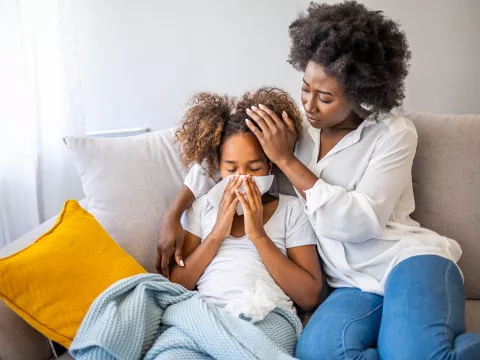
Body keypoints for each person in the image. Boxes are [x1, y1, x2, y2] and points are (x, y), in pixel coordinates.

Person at [158, 1, 480, 359]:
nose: (309, 105)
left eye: (325, 97)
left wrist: (284, 158)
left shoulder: (394, 133)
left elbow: (360, 221)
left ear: (361, 94)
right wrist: (173, 214)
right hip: (349, 284)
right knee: (318, 353)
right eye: (306, 88)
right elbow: (223, 160)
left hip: (407, 261)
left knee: (414, 355)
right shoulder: (297, 132)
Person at [168, 88, 322, 323]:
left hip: (268, 316)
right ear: (218, 167)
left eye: (254, 168)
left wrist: (258, 235)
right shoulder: (202, 208)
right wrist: (217, 234)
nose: (242, 179)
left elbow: (309, 297)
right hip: (208, 317)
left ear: (270, 166)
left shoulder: (291, 210)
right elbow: (177, 286)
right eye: (231, 169)